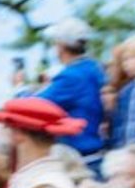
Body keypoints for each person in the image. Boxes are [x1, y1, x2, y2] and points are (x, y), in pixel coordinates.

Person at [35, 17, 106, 164]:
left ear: (60, 46)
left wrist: (20, 88)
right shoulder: (93, 69)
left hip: (80, 157)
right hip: (93, 152)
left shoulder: (71, 76)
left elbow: (37, 103)